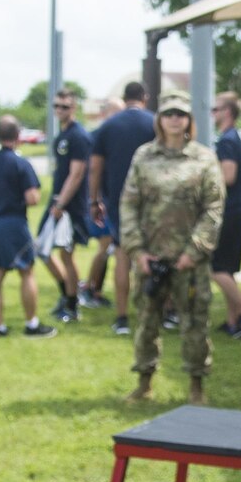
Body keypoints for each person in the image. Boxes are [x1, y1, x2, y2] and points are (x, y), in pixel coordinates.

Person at [118, 91, 221, 404]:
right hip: (152, 257)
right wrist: (136, 250)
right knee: (147, 320)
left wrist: (194, 250)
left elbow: (214, 207)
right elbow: (128, 204)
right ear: (159, 120)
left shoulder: (203, 158)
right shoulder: (143, 156)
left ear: (189, 119)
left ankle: (196, 386)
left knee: (195, 323)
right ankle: (144, 381)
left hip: (190, 260)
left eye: (180, 114)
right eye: (168, 114)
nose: (175, 119)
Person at [0, 113, 54, 338]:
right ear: (18, 135)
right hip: (13, 224)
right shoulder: (21, 164)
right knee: (26, 272)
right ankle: (31, 324)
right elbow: (32, 198)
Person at [93, 80, 156, 334]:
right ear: (145, 97)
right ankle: (155, 312)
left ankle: (121, 317)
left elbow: (95, 168)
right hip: (151, 200)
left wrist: (94, 200)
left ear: (125, 97)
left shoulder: (107, 127)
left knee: (121, 255)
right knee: (154, 254)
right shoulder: (154, 123)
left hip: (118, 201)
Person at [41, 88, 92, 323]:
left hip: (70, 207)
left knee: (66, 255)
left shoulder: (78, 136)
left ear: (74, 108)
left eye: (65, 106)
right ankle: (66, 293)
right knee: (42, 249)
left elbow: (77, 174)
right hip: (56, 202)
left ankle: (72, 305)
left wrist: (61, 203)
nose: (59, 110)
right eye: (56, 106)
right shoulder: (61, 135)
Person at [209, 91, 241, 337]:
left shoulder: (226, 141)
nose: (212, 113)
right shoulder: (232, 138)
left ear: (227, 112)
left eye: (215, 109)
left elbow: (228, 176)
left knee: (217, 269)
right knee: (228, 269)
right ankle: (232, 320)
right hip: (236, 211)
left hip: (228, 212)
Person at [79, 96, 122, 310]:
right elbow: (92, 171)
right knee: (105, 247)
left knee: (110, 249)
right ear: (105, 114)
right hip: (102, 202)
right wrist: (95, 200)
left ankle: (96, 290)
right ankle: (88, 288)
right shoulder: (97, 137)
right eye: (116, 112)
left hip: (113, 201)